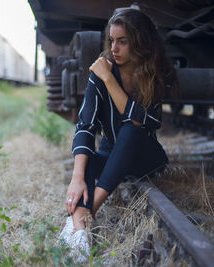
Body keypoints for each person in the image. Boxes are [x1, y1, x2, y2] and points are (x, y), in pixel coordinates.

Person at [59, 7, 178, 262]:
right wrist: (77, 177)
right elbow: (85, 125)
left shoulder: (157, 74)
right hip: (111, 155)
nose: (114, 48)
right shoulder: (101, 72)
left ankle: (86, 215)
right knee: (87, 160)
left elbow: (143, 121)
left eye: (122, 42)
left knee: (133, 129)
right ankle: (80, 233)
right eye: (112, 41)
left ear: (140, 42)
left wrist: (110, 81)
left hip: (146, 157)